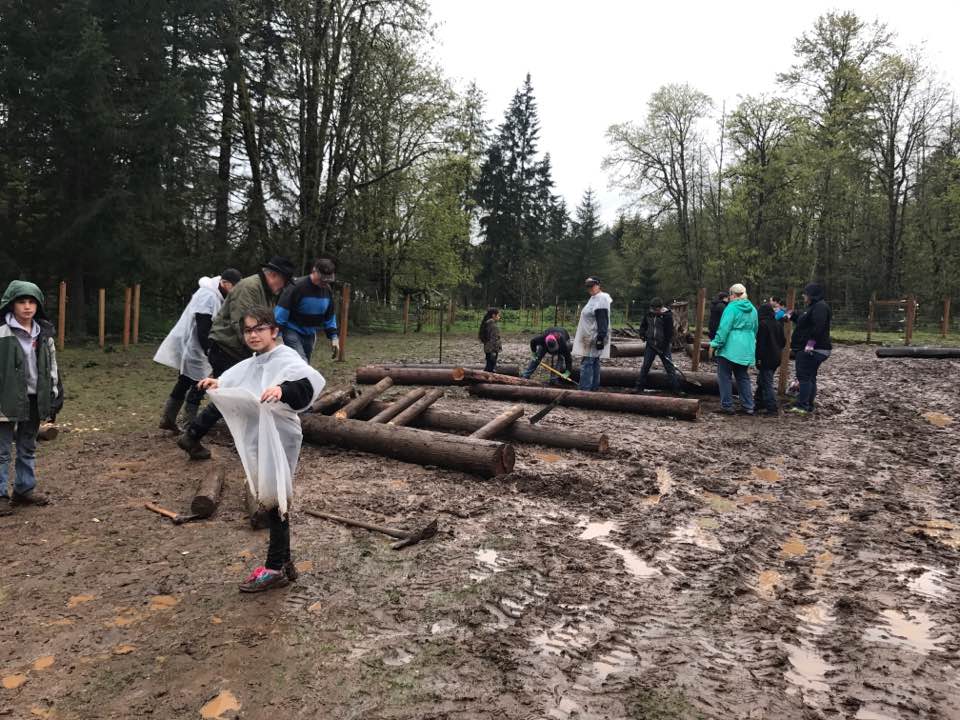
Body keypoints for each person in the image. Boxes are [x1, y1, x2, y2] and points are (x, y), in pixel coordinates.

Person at [197, 306, 325, 592]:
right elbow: (237, 379)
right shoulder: (254, 361)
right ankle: (285, 560)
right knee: (272, 495)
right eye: (248, 330)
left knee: (275, 496)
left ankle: (274, 568)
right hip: (260, 437)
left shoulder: (286, 358)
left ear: (274, 331)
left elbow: (305, 386)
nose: (253, 335)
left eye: (259, 329)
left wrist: (283, 390)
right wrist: (217, 384)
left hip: (280, 436)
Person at [178, 257, 295, 460]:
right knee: (230, 397)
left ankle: (244, 441)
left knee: (239, 394)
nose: (283, 287)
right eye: (283, 282)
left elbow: (266, 324)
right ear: (274, 276)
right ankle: (193, 435)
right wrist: (264, 352)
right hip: (227, 348)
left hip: (239, 349)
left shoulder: (264, 292)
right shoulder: (250, 288)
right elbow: (243, 326)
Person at [0, 281, 63, 509]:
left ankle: (24, 489)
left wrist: (55, 395)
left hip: (34, 398)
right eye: (21, 301)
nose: (27, 307)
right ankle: (0, 495)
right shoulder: (1, 332)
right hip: (4, 399)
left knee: (27, 446)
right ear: (11, 304)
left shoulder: (44, 334)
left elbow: (51, 368)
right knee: (2, 450)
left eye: (31, 302)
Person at [154, 270, 242, 431]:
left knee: (186, 380)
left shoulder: (218, 294)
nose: (235, 291)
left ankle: (169, 418)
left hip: (199, 345)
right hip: (195, 345)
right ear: (224, 283)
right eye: (234, 286)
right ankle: (189, 423)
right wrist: (208, 351)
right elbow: (203, 328)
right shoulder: (208, 296)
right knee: (198, 383)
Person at [275, 257, 339, 363]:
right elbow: (281, 312)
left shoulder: (327, 289)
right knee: (301, 362)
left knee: (305, 364)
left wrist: (334, 337)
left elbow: (330, 315)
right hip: (292, 330)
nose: (325, 282)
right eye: (322, 279)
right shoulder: (297, 287)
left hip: (310, 333)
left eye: (328, 280)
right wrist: (277, 336)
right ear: (314, 271)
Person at [709, 283, 757, 415]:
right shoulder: (753, 309)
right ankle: (748, 406)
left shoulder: (731, 308)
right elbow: (755, 329)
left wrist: (715, 344)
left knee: (724, 376)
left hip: (730, 348)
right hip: (746, 347)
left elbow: (724, 328)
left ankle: (727, 405)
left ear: (733, 295)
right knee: (743, 376)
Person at [785, 283, 832, 415]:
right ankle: (808, 404)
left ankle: (802, 406)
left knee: (804, 377)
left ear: (812, 295)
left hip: (812, 349)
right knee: (810, 377)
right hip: (813, 348)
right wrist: (792, 314)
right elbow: (803, 319)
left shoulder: (820, 307)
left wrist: (810, 343)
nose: (804, 296)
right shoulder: (813, 307)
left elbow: (818, 326)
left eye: (806, 294)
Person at [572, 277, 612, 392]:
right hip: (588, 336)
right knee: (593, 361)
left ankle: (584, 390)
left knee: (587, 363)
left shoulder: (602, 299)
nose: (590, 288)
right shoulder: (593, 298)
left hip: (594, 336)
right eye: (588, 286)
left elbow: (603, 319)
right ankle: (593, 388)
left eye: (592, 285)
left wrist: (601, 337)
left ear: (598, 285)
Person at [633, 298, 680, 394]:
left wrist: (663, 346)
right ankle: (639, 387)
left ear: (661, 308)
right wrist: (642, 334)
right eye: (653, 309)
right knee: (645, 366)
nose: (654, 311)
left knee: (669, 367)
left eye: (656, 309)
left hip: (663, 346)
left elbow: (669, 333)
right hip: (650, 345)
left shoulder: (667, 316)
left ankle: (676, 389)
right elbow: (643, 326)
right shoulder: (649, 314)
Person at [754, 302, 786, 416]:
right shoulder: (777, 324)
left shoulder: (762, 325)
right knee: (762, 380)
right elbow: (783, 342)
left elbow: (760, 345)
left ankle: (772, 408)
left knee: (767, 382)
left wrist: (758, 359)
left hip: (766, 358)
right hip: (776, 357)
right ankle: (759, 402)